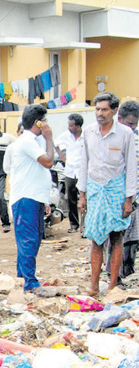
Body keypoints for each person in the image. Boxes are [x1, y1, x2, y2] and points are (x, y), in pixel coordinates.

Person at [79, 92, 137, 295]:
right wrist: (82, 194)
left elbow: (131, 167)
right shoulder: (88, 132)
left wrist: (130, 199)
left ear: (114, 111)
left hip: (117, 190)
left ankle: (112, 285)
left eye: (104, 109)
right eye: (97, 109)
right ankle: (94, 286)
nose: (100, 113)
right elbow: (83, 163)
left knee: (116, 238)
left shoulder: (125, 134)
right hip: (95, 189)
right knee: (96, 239)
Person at [3, 104, 55, 297]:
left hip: (34, 197)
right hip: (26, 198)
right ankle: (30, 282)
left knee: (31, 239)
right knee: (28, 240)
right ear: (38, 123)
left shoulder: (32, 141)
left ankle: (22, 277)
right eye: (45, 122)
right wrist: (50, 138)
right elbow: (48, 162)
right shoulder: (27, 141)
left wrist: (45, 199)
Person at [117, 101, 139, 277]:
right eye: (129, 123)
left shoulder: (136, 139)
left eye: (135, 124)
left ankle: (127, 271)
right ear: (120, 119)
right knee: (117, 237)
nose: (132, 127)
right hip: (118, 196)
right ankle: (114, 274)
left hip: (136, 196)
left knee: (133, 237)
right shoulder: (114, 139)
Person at [53, 113, 84, 234]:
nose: (68, 128)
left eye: (71, 125)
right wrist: (63, 158)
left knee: (84, 199)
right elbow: (56, 144)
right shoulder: (66, 136)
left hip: (82, 171)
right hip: (70, 171)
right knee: (70, 199)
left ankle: (84, 227)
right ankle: (74, 225)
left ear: (78, 126)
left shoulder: (86, 136)